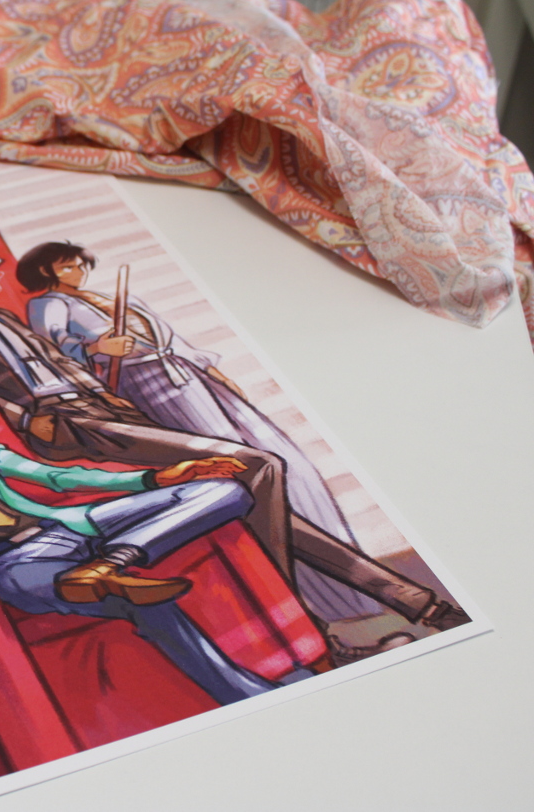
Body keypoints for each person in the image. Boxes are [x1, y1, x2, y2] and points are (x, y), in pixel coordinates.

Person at [0, 231, 468, 634]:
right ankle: (324, 618)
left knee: (249, 480)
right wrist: (26, 420)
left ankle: (409, 601)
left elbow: (61, 360)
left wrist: (106, 392)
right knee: (257, 465)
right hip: (61, 425)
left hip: (102, 410)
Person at [0, 357, 282, 704]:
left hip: (70, 525)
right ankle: (247, 696)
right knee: (133, 598)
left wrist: (155, 478)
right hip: (3, 560)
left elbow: (50, 476)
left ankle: (112, 562)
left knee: (222, 490)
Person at [19, 241, 379, 621]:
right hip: (144, 386)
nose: (78, 271)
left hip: (188, 376)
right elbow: (52, 350)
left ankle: (349, 591)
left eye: (80, 265)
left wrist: (212, 371)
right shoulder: (48, 304)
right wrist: (96, 349)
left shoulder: (112, 298)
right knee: (243, 465)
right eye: (68, 266)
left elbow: (173, 341)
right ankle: (316, 600)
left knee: (285, 460)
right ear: (46, 272)